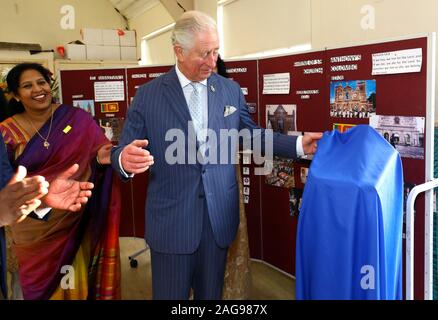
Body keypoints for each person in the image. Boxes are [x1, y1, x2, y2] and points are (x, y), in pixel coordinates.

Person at [111, 10, 321, 300]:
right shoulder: (148, 95)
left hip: (218, 221)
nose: (213, 62)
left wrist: (298, 146)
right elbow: (123, 148)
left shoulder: (229, 90)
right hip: (172, 223)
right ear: (178, 51)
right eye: (204, 53)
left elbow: (250, 134)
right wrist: (123, 159)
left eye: (216, 52)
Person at [0, 62, 121, 300]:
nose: (38, 89)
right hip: (31, 231)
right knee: (35, 288)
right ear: (15, 94)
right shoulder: (6, 131)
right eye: (27, 86)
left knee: (78, 283)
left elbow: (96, 153)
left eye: (42, 82)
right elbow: (5, 185)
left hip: (74, 219)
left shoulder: (77, 119)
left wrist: (102, 156)